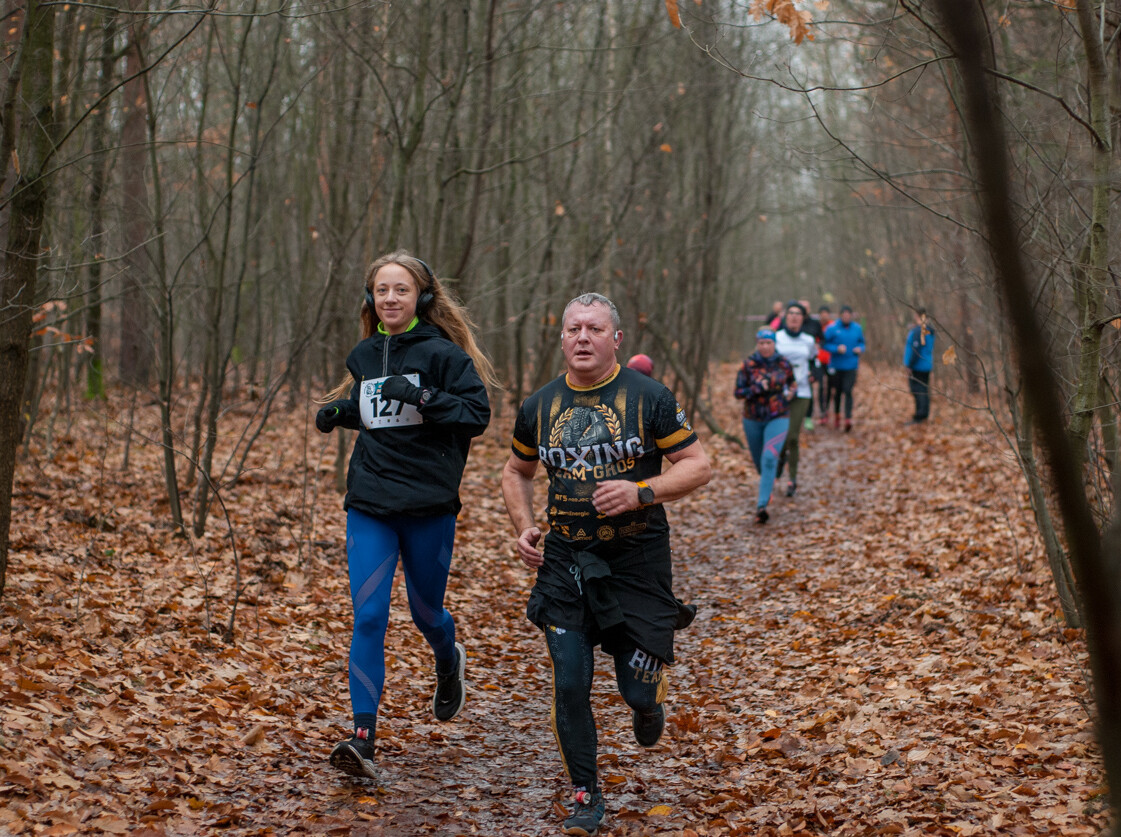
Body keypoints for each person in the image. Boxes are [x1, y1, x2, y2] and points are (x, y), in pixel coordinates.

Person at [501, 293, 711, 837]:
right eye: (574, 328)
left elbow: (698, 465)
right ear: (563, 337)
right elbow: (515, 471)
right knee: (570, 684)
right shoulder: (539, 406)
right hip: (567, 561)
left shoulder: (650, 398)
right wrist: (523, 524)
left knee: (636, 690)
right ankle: (585, 795)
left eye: (595, 328)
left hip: (636, 559)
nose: (583, 337)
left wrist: (642, 491)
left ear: (616, 339)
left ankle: (647, 705)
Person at [314, 251, 498, 781]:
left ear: (421, 297)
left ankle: (448, 656)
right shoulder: (365, 355)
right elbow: (378, 414)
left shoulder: (443, 355)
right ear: (370, 298)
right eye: (381, 290)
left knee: (425, 615)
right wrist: (342, 413)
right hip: (371, 502)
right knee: (369, 616)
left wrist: (421, 393)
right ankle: (363, 738)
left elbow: (475, 416)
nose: (390, 298)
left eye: (401, 289)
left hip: (427, 505)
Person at [735, 327, 795, 523]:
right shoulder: (748, 365)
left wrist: (790, 394)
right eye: (762, 343)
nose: (765, 346)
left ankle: (762, 506)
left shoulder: (783, 363)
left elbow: (792, 384)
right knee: (760, 462)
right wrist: (756, 388)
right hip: (752, 418)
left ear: (774, 344)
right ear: (757, 343)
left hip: (778, 416)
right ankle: (769, 482)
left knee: (769, 458)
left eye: (769, 343)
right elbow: (738, 393)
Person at [775, 303, 817, 497]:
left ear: (803, 318)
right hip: (780, 393)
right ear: (786, 317)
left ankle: (792, 479)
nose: (793, 317)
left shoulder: (808, 340)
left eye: (797, 314)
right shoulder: (777, 338)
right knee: (782, 436)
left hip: (802, 392)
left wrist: (814, 375)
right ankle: (779, 461)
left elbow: (815, 362)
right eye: (790, 313)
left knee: (792, 436)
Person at [823, 305, 865, 432]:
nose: (846, 316)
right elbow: (824, 344)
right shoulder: (832, 328)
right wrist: (836, 349)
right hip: (836, 366)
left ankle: (848, 418)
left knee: (848, 390)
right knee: (838, 392)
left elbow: (862, 343)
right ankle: (837, 415)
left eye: (848, 314)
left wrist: (860, 349)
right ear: (840, 315)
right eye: (844, 314)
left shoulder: (857, 328)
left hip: (851, 365)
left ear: (851, 316)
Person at [796, 300, 825, 430]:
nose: (804, 309)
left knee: (809, 390)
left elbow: (822, 338)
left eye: (806, 307)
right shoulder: (793, 322)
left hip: (811, 362)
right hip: (794, 363)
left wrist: (819, 345)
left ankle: (808, 418)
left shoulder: (814, 323)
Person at [903, 307, 935, 424]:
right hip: (926, 365)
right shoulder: (930, 331)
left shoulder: (918, 331)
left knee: (918, 390)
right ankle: (923, 414)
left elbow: (916, 349)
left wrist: (909, 365)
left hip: (918, 366)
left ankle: (920, 416)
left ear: (918, 316)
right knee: (924, 390)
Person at [815, 305, 834, 424]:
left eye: (826, 313)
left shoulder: (833, 326)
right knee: (821, 386)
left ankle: (827, 409)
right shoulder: (816, 327)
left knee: (831, 387)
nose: (824, 316)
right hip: (819, 361)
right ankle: (822, 412)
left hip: (831, 360)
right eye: (822, 313)